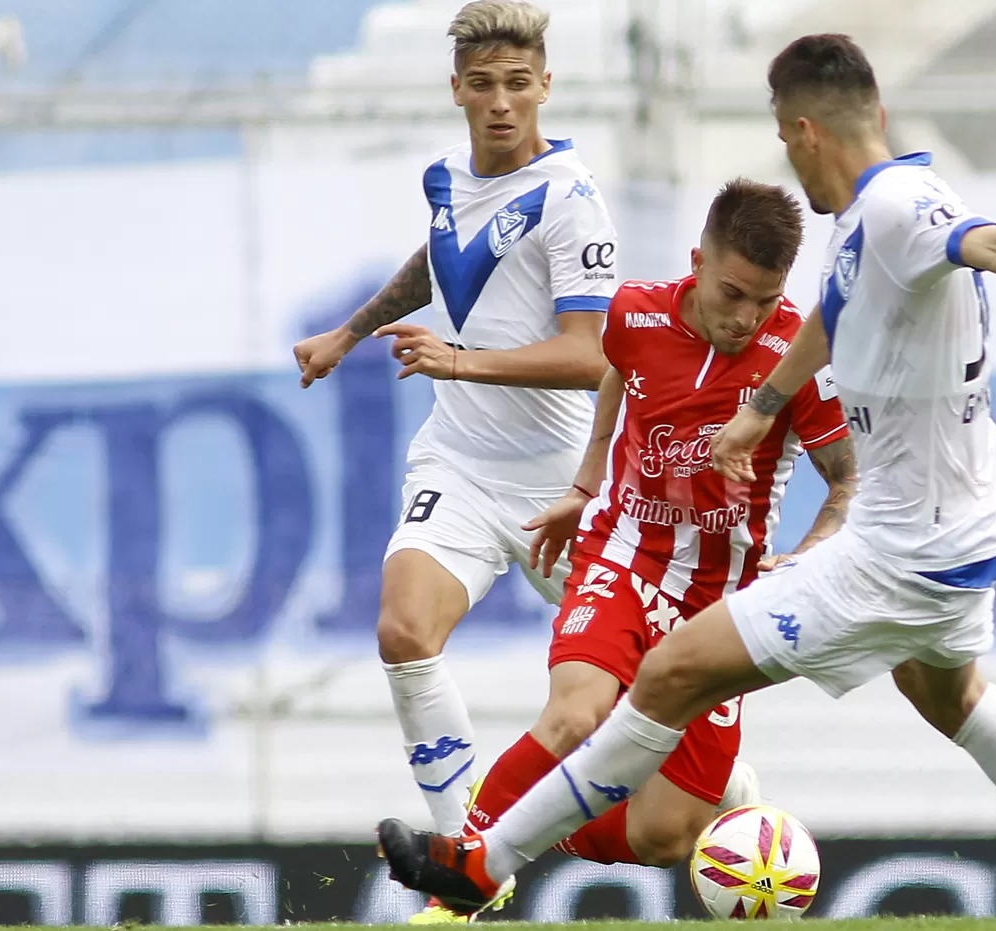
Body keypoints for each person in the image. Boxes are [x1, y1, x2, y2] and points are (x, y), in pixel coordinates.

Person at [375, 33, 996, 920]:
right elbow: (826, 315)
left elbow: (980, 244)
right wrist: (761, 404)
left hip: (896, 545)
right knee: (953, 695)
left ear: (802, 133)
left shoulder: (901, 207)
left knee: (670, 674)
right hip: (971, 527)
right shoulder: (865, 218)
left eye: (789, 145)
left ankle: (481, 866)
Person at [291, 1, 616, 921]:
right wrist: (350, 333)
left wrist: (458, 359)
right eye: (484, 86)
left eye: (519, 84)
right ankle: (469, 871)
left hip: (564, 484)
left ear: (546, 85)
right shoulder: (444, 178)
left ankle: (729, 794)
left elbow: (594, 356)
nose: (502, 103)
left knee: (645, 697)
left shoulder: (570, 196)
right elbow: (441, 260)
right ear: (458, 91)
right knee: (403, 630)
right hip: (461, 468)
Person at [463, 177, 854, 873]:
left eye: (765, 300)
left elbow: (848, 482)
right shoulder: (635, 313)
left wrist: (806, 554)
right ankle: (465, 866)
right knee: (574, 715)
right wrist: (586, 484)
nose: (747, 318)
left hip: (719, 601)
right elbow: (620, 368)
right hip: (624, 554)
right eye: (733, 294)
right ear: (697, 262)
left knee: (663, 838)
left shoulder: (797, 358)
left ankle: (515, 819)